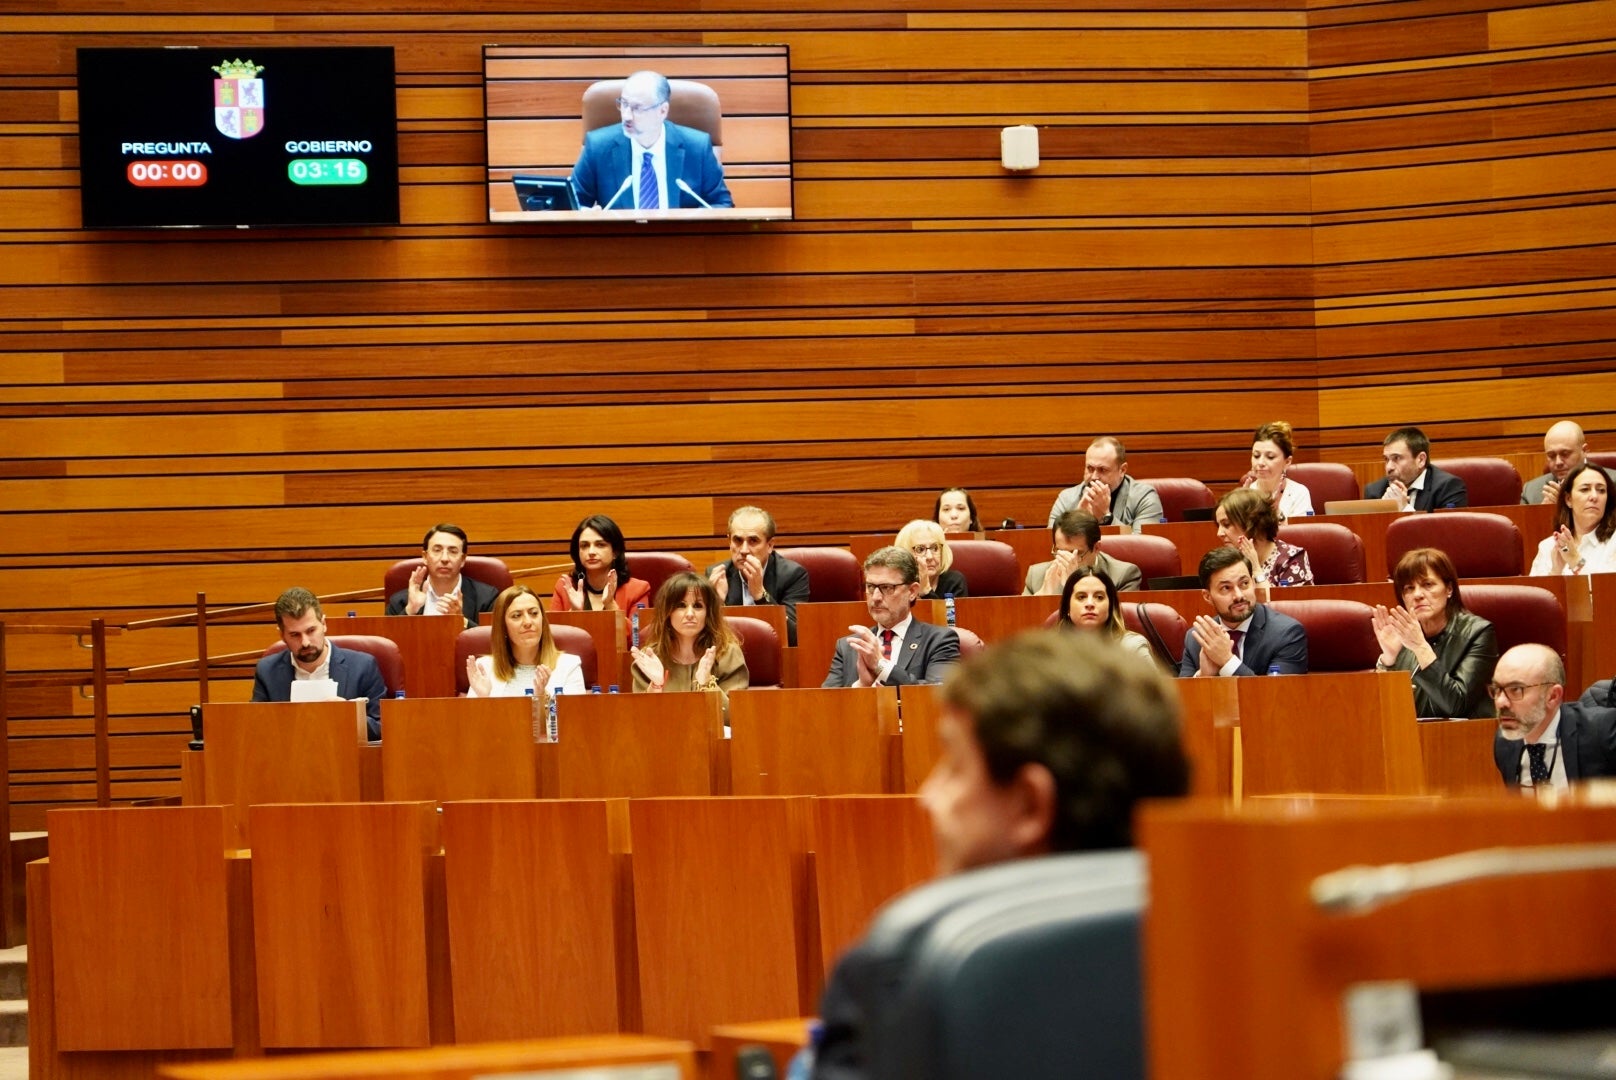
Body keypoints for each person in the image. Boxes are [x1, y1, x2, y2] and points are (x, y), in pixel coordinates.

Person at [813, 631, 1191, 1079]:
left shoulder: (902, 968)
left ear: (1030, 805)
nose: (929, 796)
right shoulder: (1242, 961)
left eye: (954, 765)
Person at [569, 70, 732, 211]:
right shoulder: (598, 146)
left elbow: (723, 205)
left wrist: (693, 220)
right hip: (618, 244)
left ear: (662, 111)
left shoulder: (697, 147)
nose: (626, 115)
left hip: (680, 244)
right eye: (624, 104)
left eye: (637, 108)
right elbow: (571, 204)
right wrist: (586, 213)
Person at [1373, 547, 1497, 718]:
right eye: (1409, 588)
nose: (1417, 595)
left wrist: (1420, 647)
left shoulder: (1478, 633)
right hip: (1410, 736)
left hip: (1460, 737)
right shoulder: (1403, 635)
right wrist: (1388, 659)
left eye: (1427, 584)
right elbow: (1380, 711)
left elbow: (1456, 705)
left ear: (1449, 590)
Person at [252, 587, 388, 740]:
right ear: (282, 635)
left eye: (311, 631)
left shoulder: (363, 666)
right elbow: (256, 731)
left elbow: (383, 729)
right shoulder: (267, 672)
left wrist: (349, 715)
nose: (305, 642)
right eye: (295, 635)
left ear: (323, 624)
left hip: (346, 759)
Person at [823, 547, 960, 687]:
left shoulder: (939, 640)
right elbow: (827, 704)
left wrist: (880, 666)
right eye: (870, 587)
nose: (875, 597)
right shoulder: (849, 646)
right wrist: (861, 686)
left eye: (887, 587)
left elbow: (937, 693)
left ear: (912, 591)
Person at [1491, 644, 1616, 789]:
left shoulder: (1601, 731)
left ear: (1553, 696)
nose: (1500, 702)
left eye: (1516, 690)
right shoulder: (1505, 743)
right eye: (1496, 689)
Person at [1178, 546, 1308, 678]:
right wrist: (1203, 676)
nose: (1239, 595)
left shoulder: (1286, 634)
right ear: (1207, 596)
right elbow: (1180, 697)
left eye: (1244, 583)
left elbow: (1276, 695)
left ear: (1253, 582)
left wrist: (1227, 661)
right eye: (1226, 588)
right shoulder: (1197, 639)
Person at [629, 570, 749, 714]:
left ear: (708, 613)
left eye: (698, 606)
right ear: (668, 612)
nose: (690, 614)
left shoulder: (727, 654)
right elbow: (640, 722)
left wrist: (708, 684)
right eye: (681, 605)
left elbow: (736, 718)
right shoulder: (650, 658)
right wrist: (656, 686)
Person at [706, 505, 810, 646]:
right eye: (737, 540)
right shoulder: (717, 576)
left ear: (770, 545)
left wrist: (761, 596)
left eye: (753, 541)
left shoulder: (793, 575)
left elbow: (794, 637)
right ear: (729, 541)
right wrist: (716, 604)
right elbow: (704, 636)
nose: (743, 550)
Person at [465, 585, 587, 704]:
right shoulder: (484, 668)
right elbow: (472, 724)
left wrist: (543, 699)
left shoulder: (569, 666)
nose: (528, 622)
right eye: (517, 616)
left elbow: (574, 722)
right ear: (503, 626)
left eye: (534, 613)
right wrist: (484, 700)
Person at [384, 524, 499, 630]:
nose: (444, 558)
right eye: (437, 550)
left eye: (453, 551)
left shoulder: (487, 598)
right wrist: (410, 611)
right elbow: (387, 646)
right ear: (425, 556)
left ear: (463, 560)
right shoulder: (400, 601)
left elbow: (494, 643)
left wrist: (461, 620)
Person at [1046, 436, 1163, 533]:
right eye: (1090, 468)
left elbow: (1143, 547)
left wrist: (1106, 518)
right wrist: (1076, 520)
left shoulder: (1144, 497)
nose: (1094, 477)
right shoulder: (1066, 498)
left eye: (1103, 470)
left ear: (1122, 470)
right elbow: (1051, 544)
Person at [550, 514, 652, 616]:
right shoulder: (565, 588)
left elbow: (636, 631)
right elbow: (554, 630)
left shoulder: (637, 590)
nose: (591, 552)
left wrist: (610, 604)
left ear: (615, 552)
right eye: (584, 546)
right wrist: (573, 611)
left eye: (600, 545)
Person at [1023, 509, 1142, 595]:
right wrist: (1043, 596)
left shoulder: (1123, 576)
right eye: (1060, 552)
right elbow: (1023, 627)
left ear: (1096, 548)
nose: (1068, 560)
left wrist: (1073, 585)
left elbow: (1117, 624)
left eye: (1077, 553)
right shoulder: (1036, 576)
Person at [1215, 488, 1313, 589]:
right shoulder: (1230, 561)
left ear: (1252, 522)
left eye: (1226, 524)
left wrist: (1256, 569)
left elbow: (1281, 604)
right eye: (1218, 526)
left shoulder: (1291, 559)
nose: (1219, 533)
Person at [1529, 462, 1616, 576]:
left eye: (1601, 490)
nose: (1594, 496)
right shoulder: (1548, 546)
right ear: (1568, 499)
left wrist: (1576, 561)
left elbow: (1608, 589)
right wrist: (1556, 572)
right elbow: (1536, 593)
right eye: (1585, 489)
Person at [1055, 568, 1155, 662]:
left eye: (1099, 597)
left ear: (1111, 607)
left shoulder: (1132, 647)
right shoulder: (1051, 651)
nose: (1090, 603)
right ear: (1067, 607)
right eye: (1081, 597)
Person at [1364, 427, 1468, 511]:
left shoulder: (1448, 487)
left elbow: (1447, 532)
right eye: (1386, 459)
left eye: (1397, 458)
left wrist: (1404, 508)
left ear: (1420, 460)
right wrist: (1383, 512)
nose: (1389, 467)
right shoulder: (1375, 491)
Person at [1242, 420, 1313, 521]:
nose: (1260, 462)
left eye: (1270, 457)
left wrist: (1277, 513)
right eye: (1256, 456)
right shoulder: (1244, 495)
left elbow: (1303, 534)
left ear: (1287, 461)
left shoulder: (1299, 493)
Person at [894, 519, 969, 600]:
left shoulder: (954, 582)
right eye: (920, 549)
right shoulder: (897, 584)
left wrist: (926, 591)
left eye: (934, 548)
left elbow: (948, 613)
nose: (930, 557)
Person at [1522, 420, 1587, 505]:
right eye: (1551, 456)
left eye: (1565, 454)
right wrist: (1544, 511)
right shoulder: (1531, 491)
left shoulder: (1609, 482)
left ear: (1584, 451)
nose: (1558, 462)